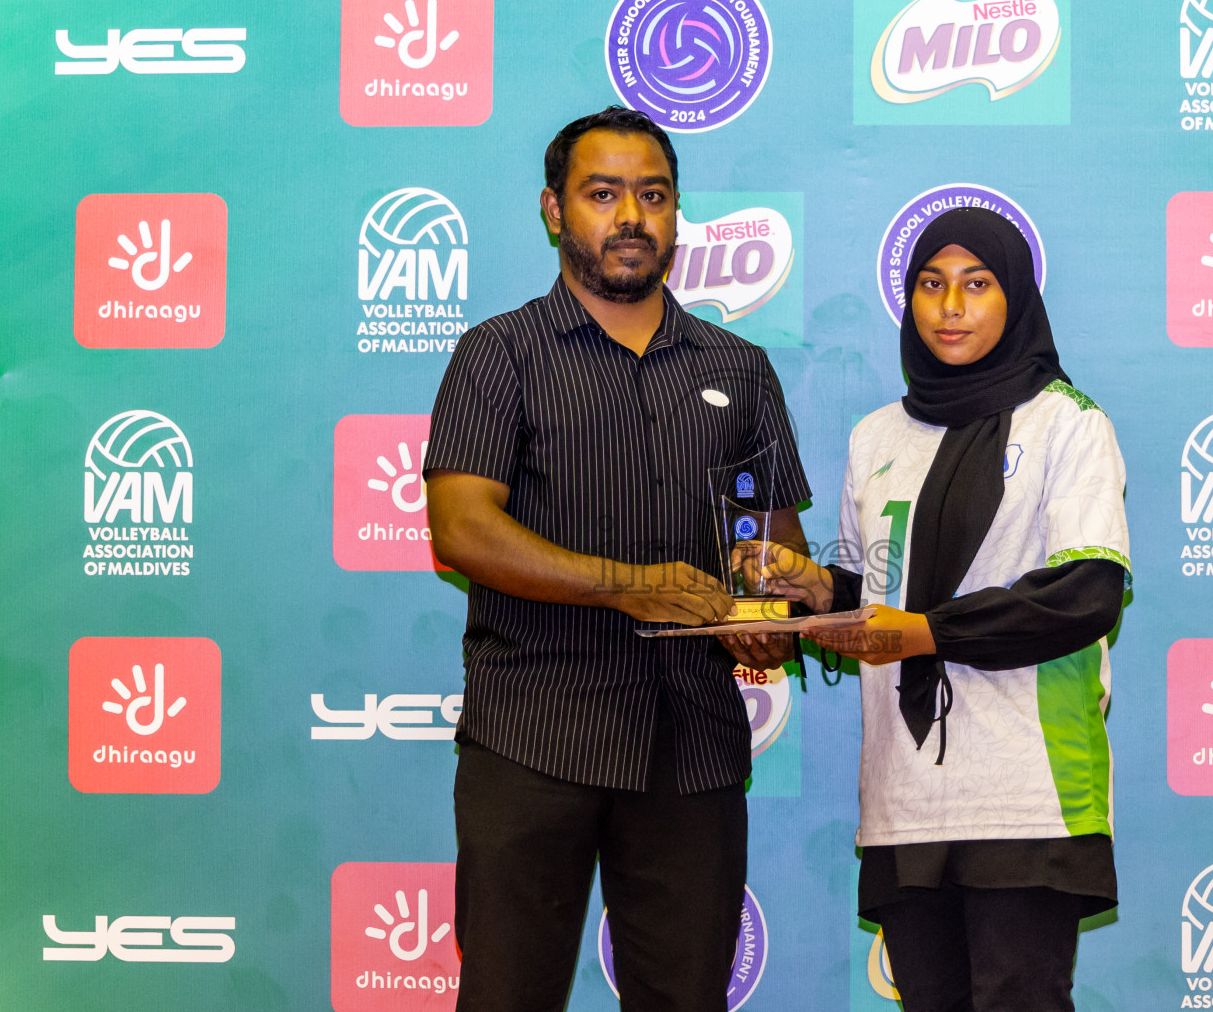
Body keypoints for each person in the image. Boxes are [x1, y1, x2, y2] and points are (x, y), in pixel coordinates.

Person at [423, 106, 810, 1012]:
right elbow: (461, 531)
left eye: (653, 195)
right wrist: (628, 587)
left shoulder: (741, 366)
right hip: (532, 738)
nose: (630, 215)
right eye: (603, 194)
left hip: (693, 750)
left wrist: (769, 618)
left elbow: (777, 546)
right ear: (556, 211)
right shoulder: (497, 356)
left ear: (678, 216)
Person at [743, 207, 1129, 1011]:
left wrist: (923, 633)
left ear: (1015, 296)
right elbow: (874, 591)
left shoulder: (1069, 424)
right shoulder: (876, 436)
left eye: (977, 284)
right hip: (903, 801)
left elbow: (1084, 593)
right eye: (931, 284)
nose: (951, 306)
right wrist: (812, 590)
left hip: (1029, 796)